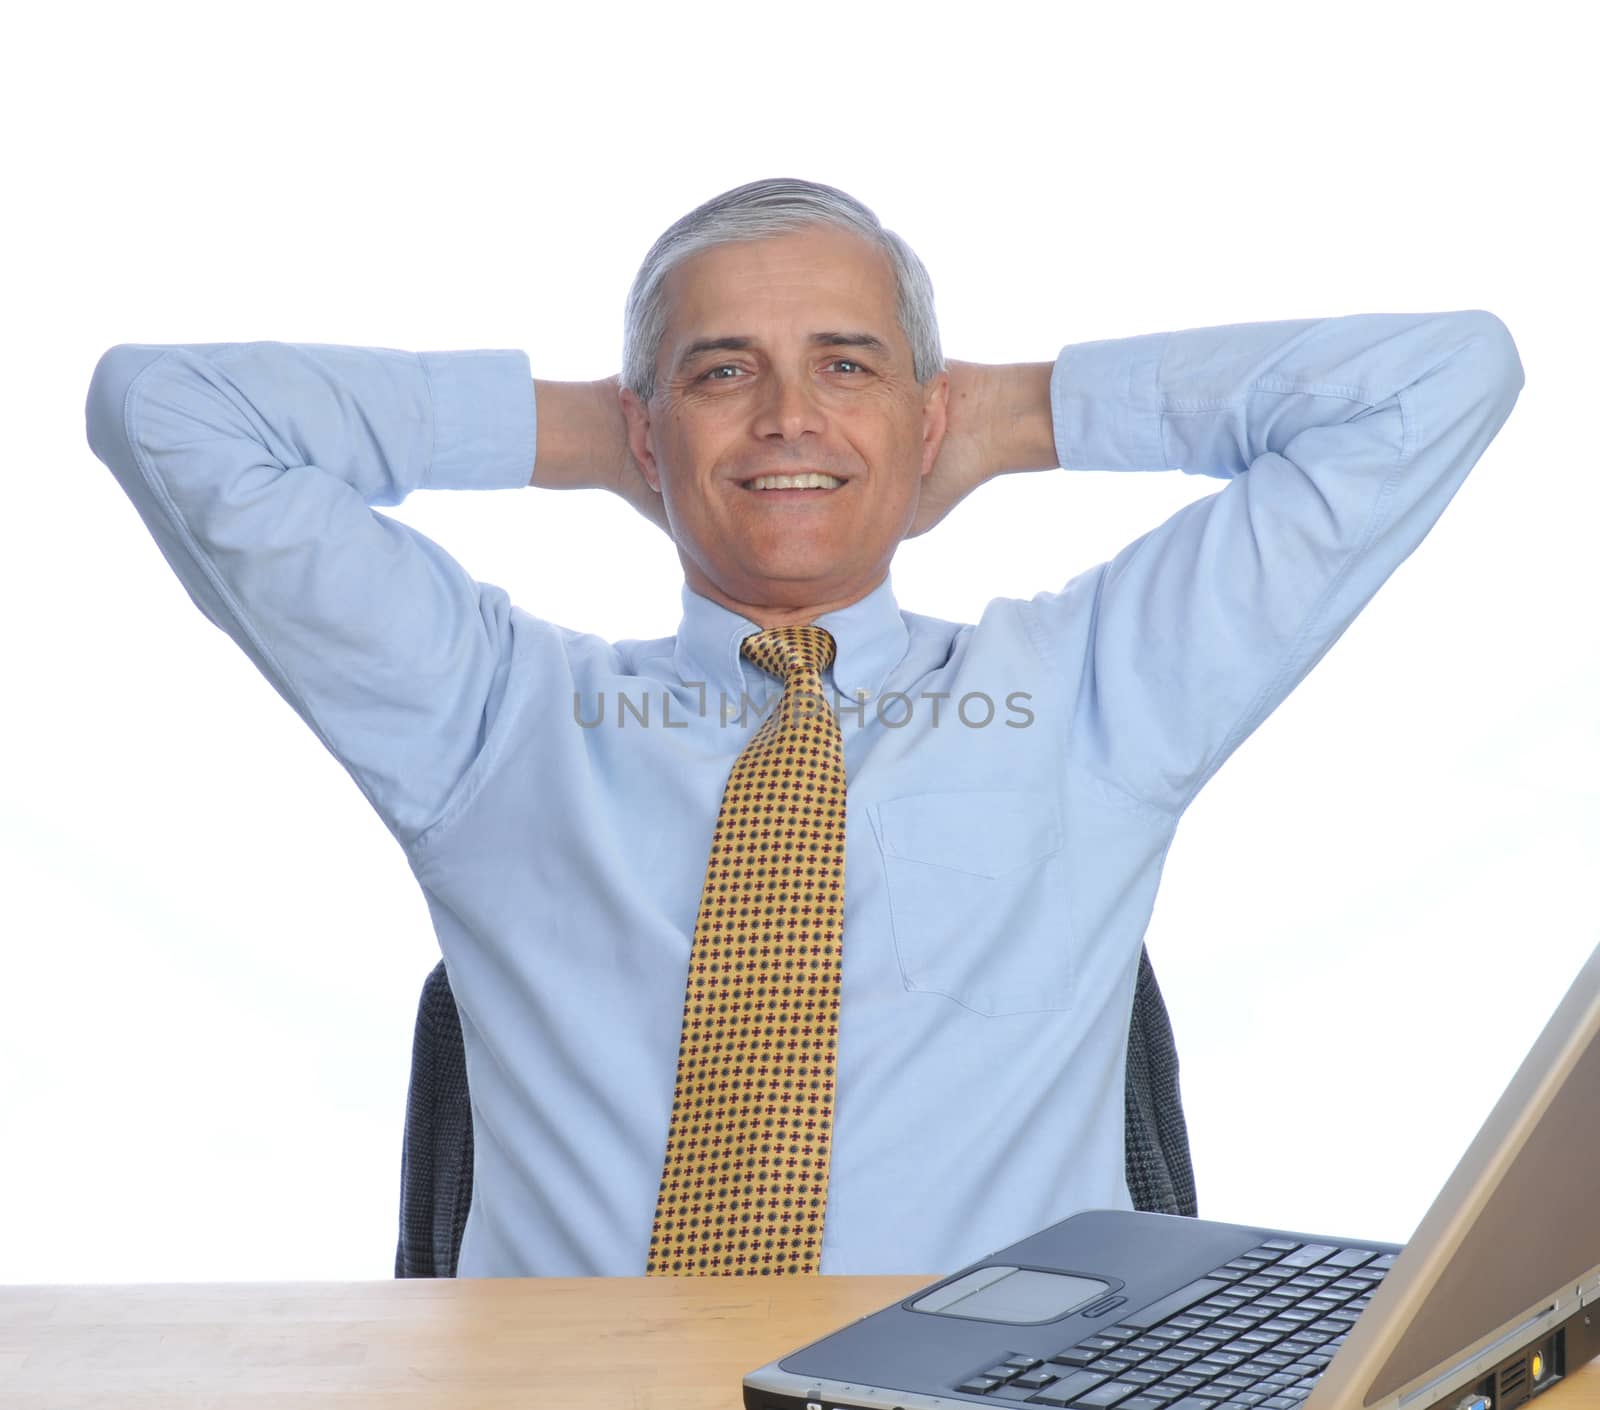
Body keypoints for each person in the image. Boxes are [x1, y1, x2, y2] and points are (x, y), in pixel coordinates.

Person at [84, 176, 1525, 1279]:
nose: (786, 416)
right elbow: (167, 408)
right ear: (655, 432)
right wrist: (594, 433)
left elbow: (1442, 375)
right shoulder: (494, 717)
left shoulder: (1094, 693)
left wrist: (1016, 416)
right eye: (724, 371)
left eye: (846, 363)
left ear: (923, 412)